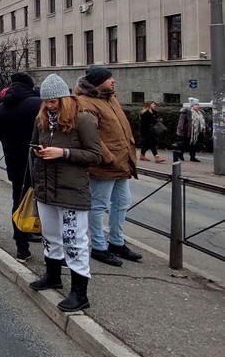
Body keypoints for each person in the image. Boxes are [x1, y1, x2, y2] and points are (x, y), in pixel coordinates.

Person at [28, 74, 102, 312]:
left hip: (71, 191)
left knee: (74, 240)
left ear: (65, 99)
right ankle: (53, 276)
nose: (49, 105)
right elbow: (33, 144)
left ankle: (80, 293)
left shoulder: (83, 120)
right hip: (45, 188)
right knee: (50, 235)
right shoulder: (41, 120)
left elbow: (95, 155)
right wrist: (38, 152)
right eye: (46, 101)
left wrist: (63, 153)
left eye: (54, 101)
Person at [74, 65, 142, 266]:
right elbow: (91, 135)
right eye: (109, 78)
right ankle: (98, 246)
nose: (113, 81)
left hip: (122, 160)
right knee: (98, 205)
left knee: (122, 202)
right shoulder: (85, 102)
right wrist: (107, 157)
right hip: (105, 164)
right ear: (98, 82)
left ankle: (117, 242)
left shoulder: (110, 98)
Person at [0, 72, 43, 260]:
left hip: (14, 161)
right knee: (44, 202)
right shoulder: (36, 104)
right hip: (37, 161)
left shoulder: (1, 108)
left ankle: (21, 246)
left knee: (18, 200)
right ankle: (52, 250)